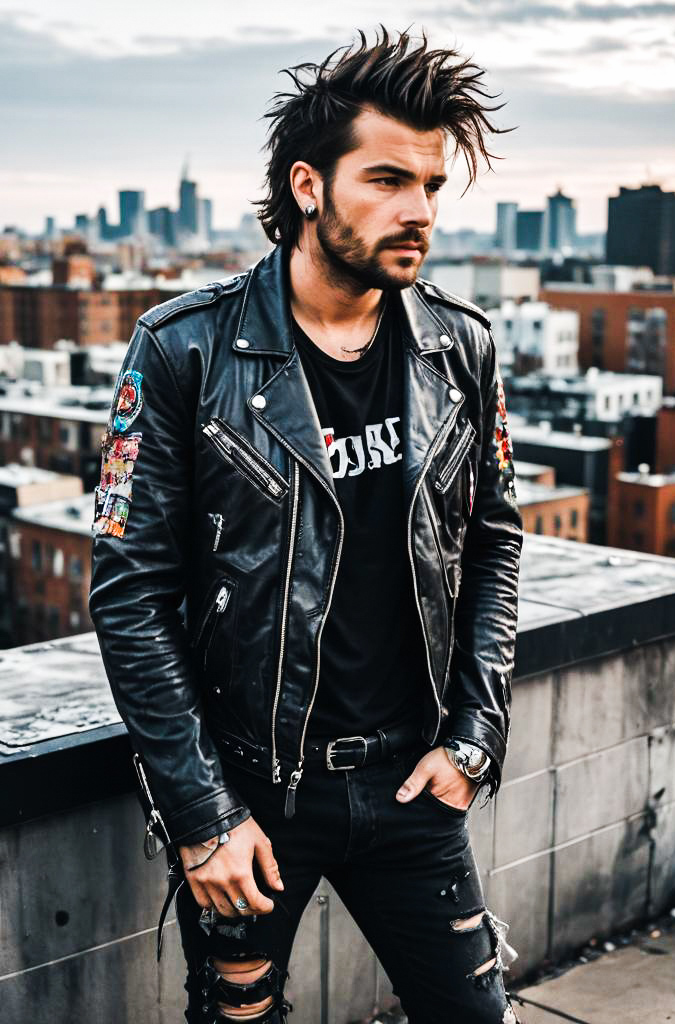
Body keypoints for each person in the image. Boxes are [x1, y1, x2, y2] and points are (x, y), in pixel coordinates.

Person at [89, 25, 524, 1024]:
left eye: (430, 185)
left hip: (413, 785)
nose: (417, 211)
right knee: (239, 1016)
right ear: (307, 186)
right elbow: (129, 593)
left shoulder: (460, 348)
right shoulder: (184, 353)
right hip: (253, 790)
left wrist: (472, 740)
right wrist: (203, 817)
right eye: (385, 179)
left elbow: (494, 542)